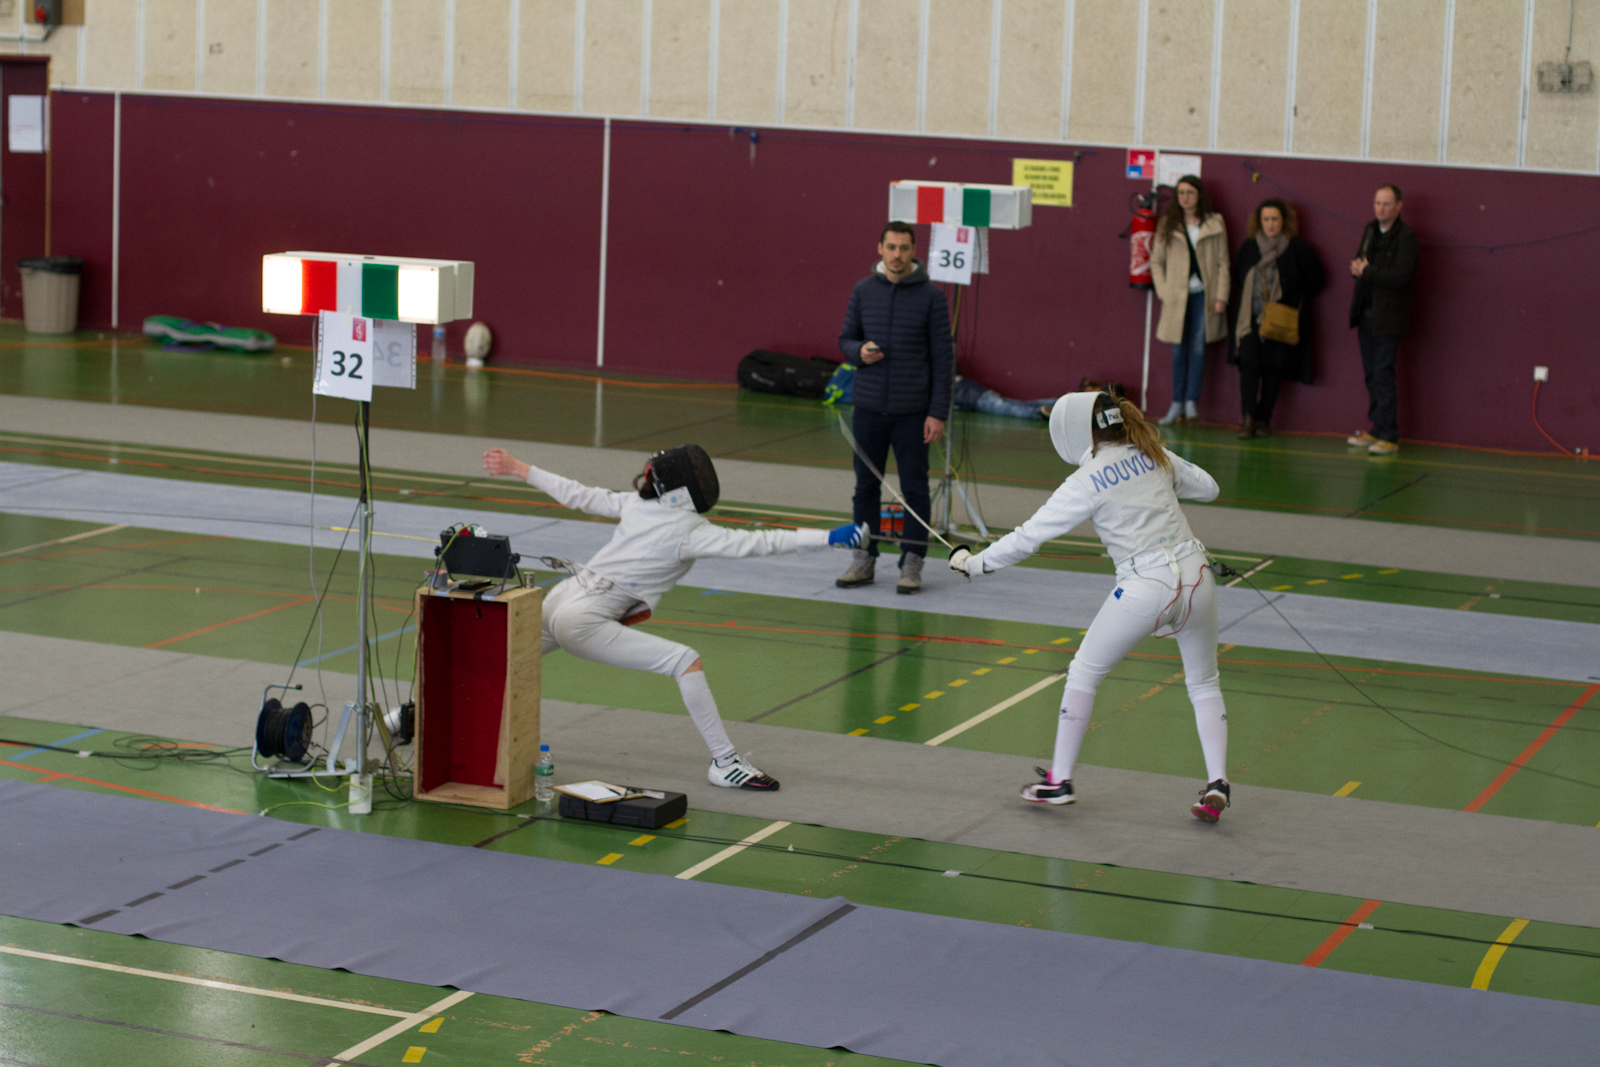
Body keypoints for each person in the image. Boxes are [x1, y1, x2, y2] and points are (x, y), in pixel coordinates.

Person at [482, 443, 866, 790]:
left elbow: (580, 494)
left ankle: (459, 736)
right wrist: (828, 538)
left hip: (557, 600)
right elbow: (762, 542)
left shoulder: (639, 505)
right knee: (685, 661)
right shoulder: (692, 531)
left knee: (495, 662)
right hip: (583, 619)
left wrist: (519, 468)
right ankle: (725, 762)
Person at [948, 392, 1232, 822]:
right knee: (1204, 681)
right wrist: (1161, 464)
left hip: (1145, 586)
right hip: (1197, 579)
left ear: (1075, 431)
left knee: (1083, 672)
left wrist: (974, 563)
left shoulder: (1086, 480)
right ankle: (1217, 783)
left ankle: (1060, 781)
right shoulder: (1153, 454)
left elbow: (1028, 537)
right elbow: (1209, 489)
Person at [836, 221, 954, 594]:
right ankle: (863, 559)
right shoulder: (863, 290)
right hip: (868, 409)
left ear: (913, 251)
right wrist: (859, 352)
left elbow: (943, 361)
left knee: (915, 490)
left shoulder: (932, 297)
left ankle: (912, 563)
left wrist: (937, 413)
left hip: (913, 413)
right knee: (865, 488)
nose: (897, 255)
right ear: (880, 248)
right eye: (891, 247)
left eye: (904, 248)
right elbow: (845, 339)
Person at [1229, 198, 1325, 438]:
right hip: (1250, 320)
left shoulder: (1296, 247)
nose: (1271, 224)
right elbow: (1238, 275)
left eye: (1275, 219)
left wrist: (1292, 297)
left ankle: (1264, 419)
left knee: (1274, 369)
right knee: (1248, 366)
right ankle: (1247, 419)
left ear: (1284, 221)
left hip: (1281, 320)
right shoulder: (1250, 247)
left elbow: (1316, 279)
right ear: (1259, 222)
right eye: (1266, 219)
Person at [1149, 175, 1230, 426]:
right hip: (1176, 297)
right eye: (1181, 193)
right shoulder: (1168, 224)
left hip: (1204, 295)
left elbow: (1223, 263)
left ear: (1199, 195)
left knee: (1198, 348)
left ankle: (1192, 403)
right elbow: (1156, 261)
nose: (1185, 198)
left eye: (1190, 193)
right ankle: (1176, 403)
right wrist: (1164, 291)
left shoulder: (1214, 222)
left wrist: (1221, 296)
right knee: (1178, 350)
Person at [1347, 184, 1418, 456]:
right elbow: (1361, 263)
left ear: (1399, 206)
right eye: (1378, 203)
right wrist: (1357, 268)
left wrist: (1367, 271)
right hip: (1366, 313)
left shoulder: (1406, 237)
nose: (1381, 209)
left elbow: (1401, 276)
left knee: (1383, 374)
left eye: (1387, 204)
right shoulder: (1370, 230)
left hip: (1389, 318)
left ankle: (1390, 435)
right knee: (1371, 375)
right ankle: (1377, 428)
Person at [953, 375, 1056, 419]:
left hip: (981, 400)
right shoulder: (956, 379)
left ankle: (1039, 413)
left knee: (1010, 409)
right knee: (1018, 404)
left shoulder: (950, 384)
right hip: (984, 394)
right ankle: (1055, 402)